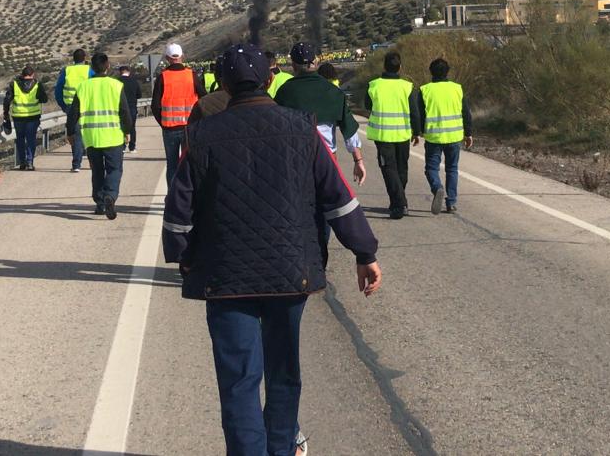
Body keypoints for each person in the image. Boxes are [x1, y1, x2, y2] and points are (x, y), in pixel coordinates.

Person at [163, 42, 381, 456]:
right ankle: (282, 449)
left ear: (222, 83)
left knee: (239, 379)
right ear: (269, 79)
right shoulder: (302, 128)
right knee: (283, 374)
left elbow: (180, 210)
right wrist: (364, 252)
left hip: (226, 277)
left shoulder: (203, 135)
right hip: (288, 272)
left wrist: (184, 257)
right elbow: (337, 196)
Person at [274, 43, 364, 184]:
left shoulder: (284, 92)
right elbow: (349, 130)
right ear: (315, 62)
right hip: (328, 161)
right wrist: (358, 161)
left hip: (296, 161)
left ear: (294, 65)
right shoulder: (334, 92)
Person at [67, 51, 132, 219]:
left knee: (97, 171)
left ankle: (100, 203)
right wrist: (127, 131)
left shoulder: (83, 86)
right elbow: (124, 112)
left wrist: (70, 132)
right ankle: (110, 195)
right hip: (113, 137)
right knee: (114, 169)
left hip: (92, 138)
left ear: (92, 68)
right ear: (108, 66)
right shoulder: (116, 85)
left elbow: (73, 113)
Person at [364, 52, 420, 220]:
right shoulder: (407, 86)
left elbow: (367, 105)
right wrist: (416, 132)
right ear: (400, 67)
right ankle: (398, 201)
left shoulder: (374, 85)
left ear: (384, 66)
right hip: (402, 134)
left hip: (383, 135)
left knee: (389, 169)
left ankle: (399, 203)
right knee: (402, 169)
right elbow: (414, 112)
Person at [417, 57, 472, 215]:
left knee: (431, 168)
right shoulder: (457, 89)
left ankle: (437, 188)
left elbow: (421, 114)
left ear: (431, 72)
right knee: (452, 169)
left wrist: (418, 132)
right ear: (447, 72)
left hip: (434, 137)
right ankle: (451, 202)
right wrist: (468, 133)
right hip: (454, 136)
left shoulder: (425, 90)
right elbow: (466, 113)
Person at [151, 42, 205, 177]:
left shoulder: (163, 77)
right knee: (190, 163)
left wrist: (163, 122)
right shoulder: (191, 75)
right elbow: (204, 98)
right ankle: (189, 195)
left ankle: (172, 196)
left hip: (170, 129)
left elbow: (155, 105)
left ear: (167, 58)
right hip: (190, 127)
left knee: (172, 164)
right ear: (182, 56)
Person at [0, 66, 48, 170]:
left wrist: (5, 114)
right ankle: (30, 163)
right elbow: (44, 99)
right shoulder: (37, 85)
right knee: (31, 139)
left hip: (18, 117)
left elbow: (7, 100)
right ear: (33, 74)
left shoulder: (14, 84)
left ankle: (22, 163)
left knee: (20, 139)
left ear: (22, 74)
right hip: (33, 117)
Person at [54, 48, 93, 173]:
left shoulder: (67, 70)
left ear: (73, 59)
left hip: (71, 107)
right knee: (89, 134)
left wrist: (63, 106)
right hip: (87, 106)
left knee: (76, 135)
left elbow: (58, 90)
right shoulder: (89, 70)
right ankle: (93, 162)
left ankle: (76, 164)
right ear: (85, 58)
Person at [118, 64, 142, 152]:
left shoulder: (117, 81)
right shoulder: (134, 81)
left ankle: (122, 146)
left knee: (121, 127)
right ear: (129, 72)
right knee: (132, 127)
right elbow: (139, 95)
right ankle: (132, 147)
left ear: (120, 72)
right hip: (132, 107)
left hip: (120, 107)